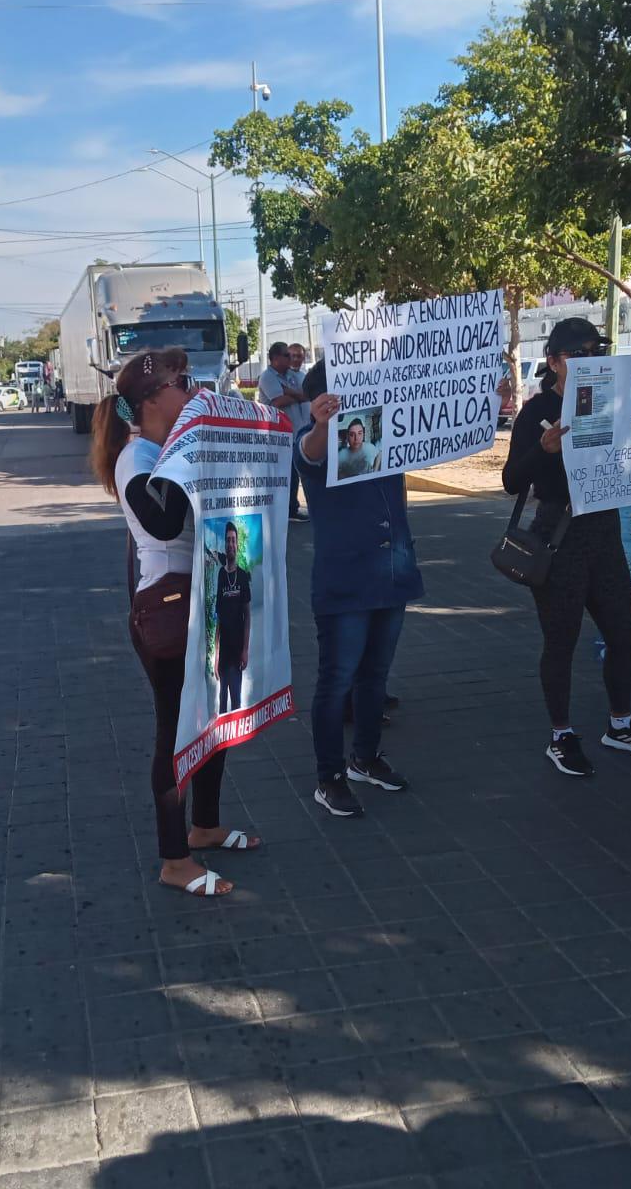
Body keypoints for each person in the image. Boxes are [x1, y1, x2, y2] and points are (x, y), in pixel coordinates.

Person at [90, 348, 259, 896]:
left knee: (214, 721)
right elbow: (162, 522)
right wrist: (195, 457)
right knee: (176, 730)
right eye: (182, 382)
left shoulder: (164, 448)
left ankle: (205, 825)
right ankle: (173, 859)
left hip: (200, 597)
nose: (192, 390)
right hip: (166, 607)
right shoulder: (136, 457)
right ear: (153, 398)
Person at [503, 316, 631, 776]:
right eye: (577, 353)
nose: (589, 360)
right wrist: (543, 449)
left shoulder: (618, 404)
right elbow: (511, 481)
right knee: (561, 641)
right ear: (554, 362)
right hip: (558, 538)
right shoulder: (537, 409)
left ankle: (620, 725)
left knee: (624, 634)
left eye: (596, 351)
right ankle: (561, 735)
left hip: (604, 534)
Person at [295, 360, 422, 817]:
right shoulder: (316, 442)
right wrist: (323, 424)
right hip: (345, 583)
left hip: (391, 571)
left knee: (376, 675)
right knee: (336, 682)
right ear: (318, 402)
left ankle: (365, 758)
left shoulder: (385, 433)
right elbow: (308, 453)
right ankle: (328, 777)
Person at [259, 343, 309, 522]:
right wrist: (293, 394)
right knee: (286, 474)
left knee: (295, 474)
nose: (291, 359)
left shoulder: (291, 375)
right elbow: (278, 401)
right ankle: (287, 511)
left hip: (296, 432)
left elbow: (305, 395)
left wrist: (290, 391)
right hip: (279, 434)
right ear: (276, 358)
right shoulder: (267, 377)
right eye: (287, 356)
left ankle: (292, 508)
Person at [212, 521, 251, 713]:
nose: (230, 544)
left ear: (238, 544)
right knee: (222, 704)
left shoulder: (242, 577)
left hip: (237, 651)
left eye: (233, 540)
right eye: (227, 540)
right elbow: (218, 616)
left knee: (236, 701)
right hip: (224, 650)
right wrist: (216, 654)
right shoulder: (220, 575)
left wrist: (245, 649)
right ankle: (223, 743)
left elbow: (247, 616)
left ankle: (236, 741)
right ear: (224, 545)